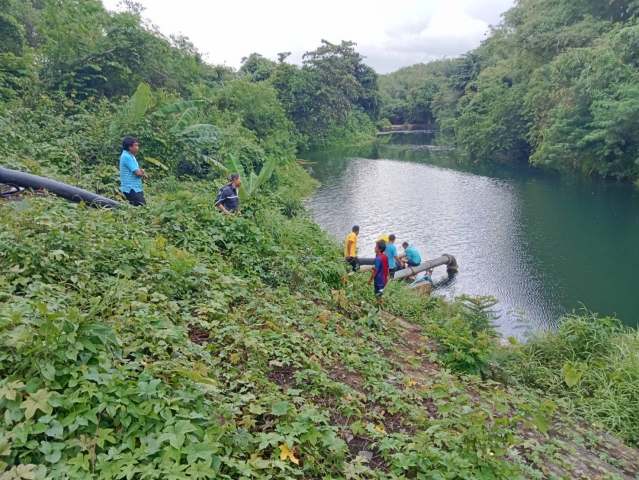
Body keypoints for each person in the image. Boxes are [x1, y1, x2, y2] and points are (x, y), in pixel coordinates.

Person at [120, 136, 148, 206]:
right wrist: (143, 175)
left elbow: (135, 170)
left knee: (139, 207)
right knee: (142, 207)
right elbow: (137, 173)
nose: (138, 147)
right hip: (131, 188)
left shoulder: (131, 156)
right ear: (130, 147)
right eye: (136, 145)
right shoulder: (126, 156)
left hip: (135, 188)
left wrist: (141, 171)